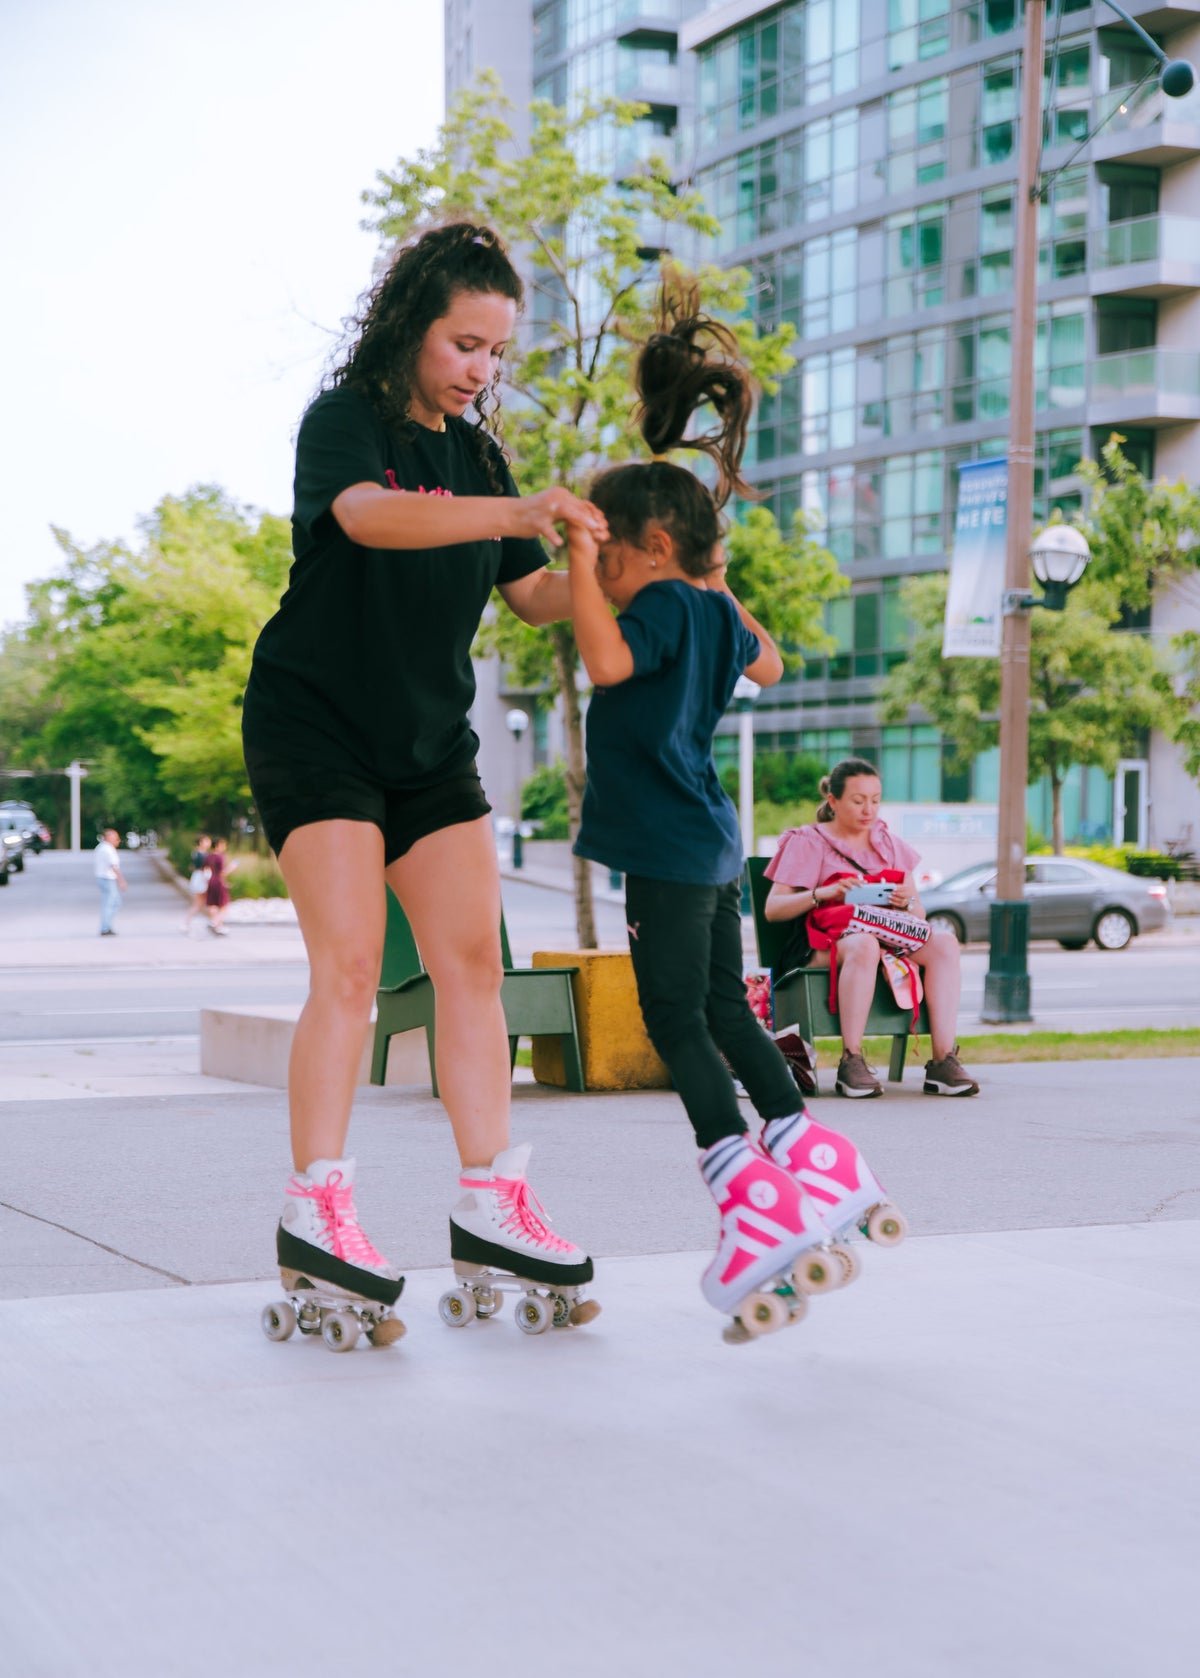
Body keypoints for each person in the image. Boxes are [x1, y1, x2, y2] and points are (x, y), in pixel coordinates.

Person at [242, 222, 608, 1330]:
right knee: (351, 967)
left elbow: (532, 596)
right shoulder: (346, 423)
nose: (480, 370)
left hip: (429, 741)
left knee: (473, 969)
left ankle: (491, 1203)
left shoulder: (479, 460)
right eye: (464, 344)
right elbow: (365, 517)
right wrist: (516, 511)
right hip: (317, 725)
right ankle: (316, 1209)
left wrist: (622, 566)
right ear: (410, 327)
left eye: (496, 352)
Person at [566, 288, 905, 1338]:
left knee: (675, 1019)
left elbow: (605, 660)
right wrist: (717, 577)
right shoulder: (709, 608)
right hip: (711, 840)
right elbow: (771, 662)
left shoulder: (659, 604)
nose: (603, 577)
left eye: (612, 559)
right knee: (726, 1011)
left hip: (669, 844)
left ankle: (748, 1194)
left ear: (651, 546)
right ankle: (813, 1158)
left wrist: (576, 560)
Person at [764, 758, 980, 1098]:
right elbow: (773, 909)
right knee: (864, 943)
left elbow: (919, 915)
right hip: (823, 943)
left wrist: (906, 901)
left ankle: (943, 1061)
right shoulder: (809, 840)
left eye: (875, 800)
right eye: (858, 800)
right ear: (833, 801)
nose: (869, 810)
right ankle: (851, 1061)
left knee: (945, 944)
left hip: (887, 936)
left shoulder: (888, 843)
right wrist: (824, 893)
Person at [94, 829, 126, 936]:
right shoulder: (108, 849)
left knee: (115, 902)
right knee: (109, 903)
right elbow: (113, 866)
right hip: (107, 879)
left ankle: (107, 925)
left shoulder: (101, 847)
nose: (118, 841)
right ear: (108, 838)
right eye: (116, 838)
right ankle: (105, 927)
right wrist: (121, 881)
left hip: (103, 878)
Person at [204, 838, 236, 937]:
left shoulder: (208, 856)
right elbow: (222, 873)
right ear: (217, 845)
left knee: (213, 904)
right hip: (219, 881)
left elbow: (205, 870)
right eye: (223, 845)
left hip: (211, 881)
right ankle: (214, 922)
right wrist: (232, 867)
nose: (224, 847)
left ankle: (218, 927)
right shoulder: (220, 857)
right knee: (224, 905)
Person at [183, 835, 211, 936]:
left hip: (198, 878)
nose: (208, 843)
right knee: (200, 903)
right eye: (206, 841)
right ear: (200, 842)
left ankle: (214, 923)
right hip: (201, 879)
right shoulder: (200, 854)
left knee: (201, 903)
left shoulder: (196, 853)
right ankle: (214, 923)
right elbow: (204, 868)